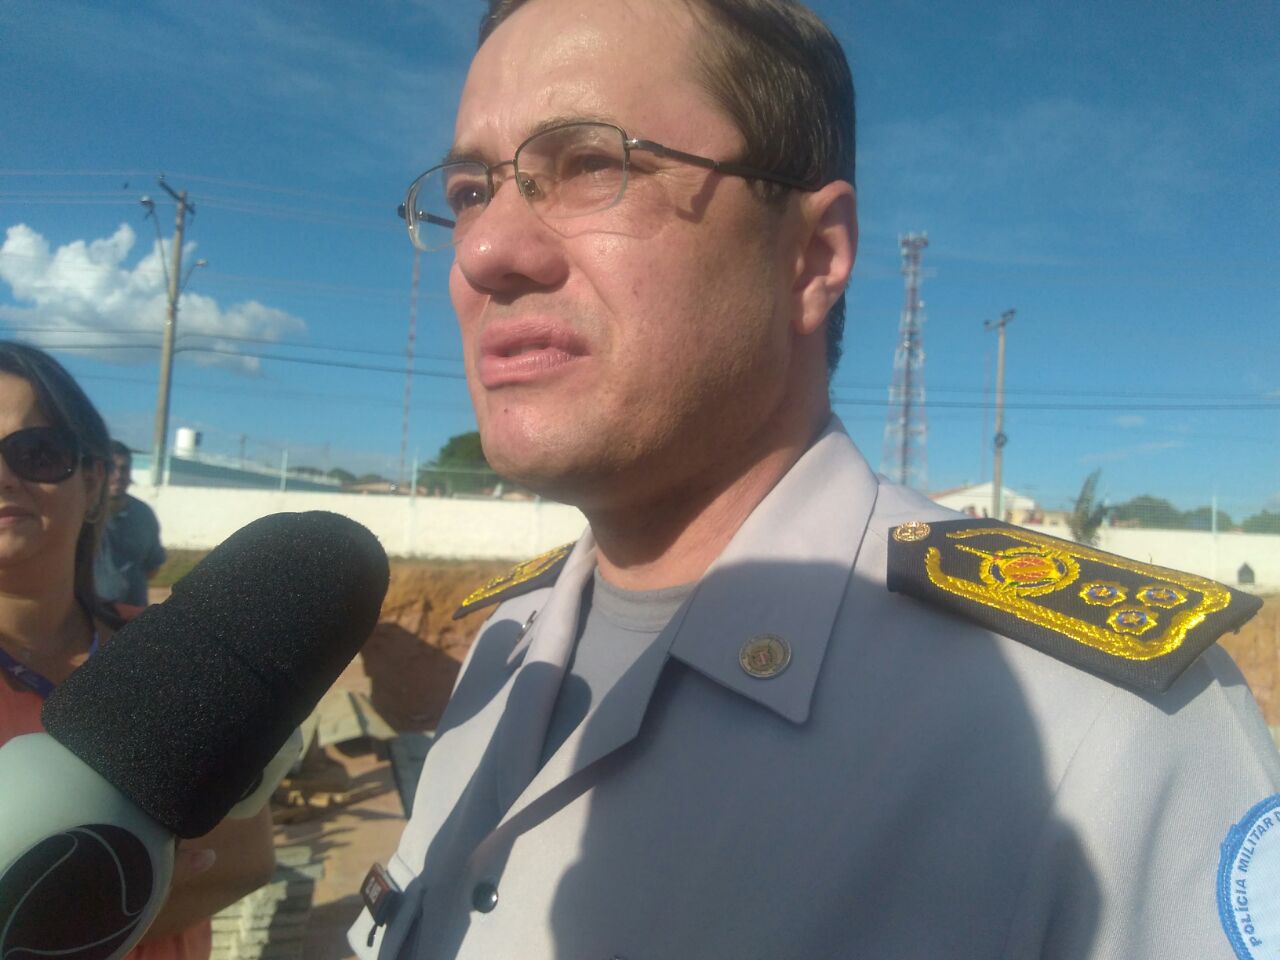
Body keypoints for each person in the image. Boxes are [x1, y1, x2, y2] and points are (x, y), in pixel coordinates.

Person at [350, 2, 1279, 957]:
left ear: (813, 256)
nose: (485, 252)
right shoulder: (506, 642)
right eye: (471, 191)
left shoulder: (1107, 734)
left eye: (591, 163)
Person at [0, 341, 276, 959]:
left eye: (35, 452)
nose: (2, 477)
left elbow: (246, 860)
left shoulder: (180, 651)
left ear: (94, 481)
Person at [95, 439, 167, 614]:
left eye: (124, 469)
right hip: (91, 614)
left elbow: (152, 567)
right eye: (111, 468)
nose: (118, 475)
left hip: (134, 615)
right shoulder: (82, 514)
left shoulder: (144, 515)